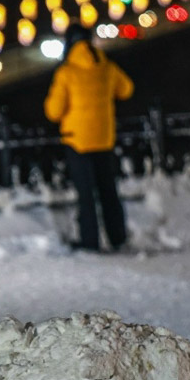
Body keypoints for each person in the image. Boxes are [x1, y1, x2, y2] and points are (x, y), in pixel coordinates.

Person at [43, 23, 134, 252]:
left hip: (78, 141)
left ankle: (89, 241)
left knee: (86, 195)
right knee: (108, 191)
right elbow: (126, 90)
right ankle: (117, 237)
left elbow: (53, 111)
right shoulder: (106, 66)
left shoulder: (67, 72)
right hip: (104, 138)